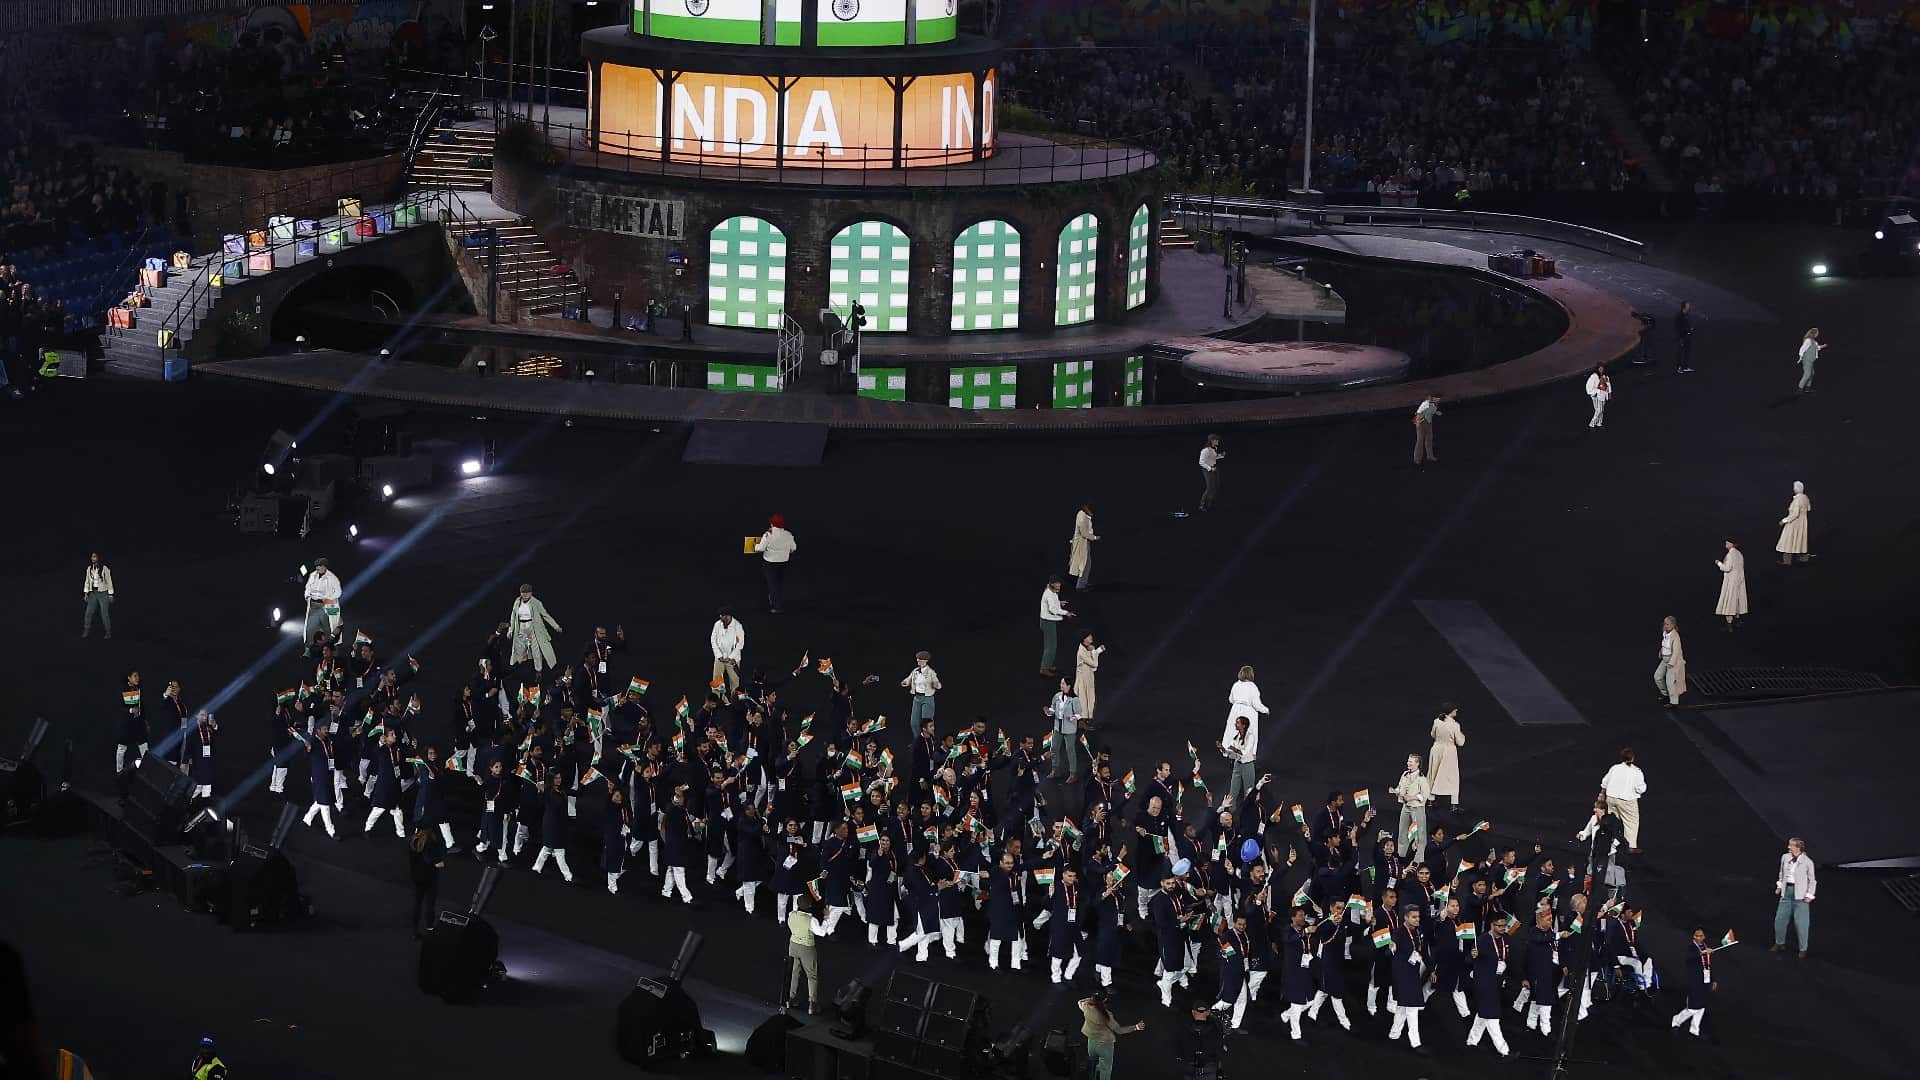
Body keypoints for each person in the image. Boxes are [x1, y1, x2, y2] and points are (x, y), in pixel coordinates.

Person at [1464, 912, 1513, 1056]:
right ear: (1492, 925)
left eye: (1504, 925)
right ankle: (1504, 1050)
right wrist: (1473, 956)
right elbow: (1468, 960)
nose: (1503, 928)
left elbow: (1505, 959)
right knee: (1492, 1016)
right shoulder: (1482, 940)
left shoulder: (1505, 940)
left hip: (1496, 983)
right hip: (1483, 984)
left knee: (1483, 1014)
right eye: (1499, 926)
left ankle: (1472, 1042)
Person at [1079, 990, 1144, 1080]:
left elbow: (1080, 1002)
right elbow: (1119, 1030)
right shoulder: (1106, 1015)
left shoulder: (1086, 1007)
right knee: (1106, 1068)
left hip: (1091, 1041)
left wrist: (1092, 999)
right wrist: (1136, 1027)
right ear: (1105, 1000)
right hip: (1105, 1045)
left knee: (1092, 1064)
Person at [1772, 836, 1815, 957]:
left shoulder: (1807, 862)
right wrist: (1780, 886)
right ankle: (1779, 943)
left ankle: (1803, 948)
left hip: (1800, 895)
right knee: (1779, 920)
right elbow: (1782, 873)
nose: (1788, 847)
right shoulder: (1785, 857)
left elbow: (1812, 881)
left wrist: (1809, 895)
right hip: (1787, 892)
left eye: (1791, 845)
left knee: (1801, 923)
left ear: (1798, 848)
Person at [1599, 747, 1647, 852]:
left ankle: (1609, 842)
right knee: (1631, 822)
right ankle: (1630, 846)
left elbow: (1605, 781)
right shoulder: (1636, 772)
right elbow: (1641, 788)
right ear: (1633, 758)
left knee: (1612, 820)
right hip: (1627, 800)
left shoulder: (1615, 768)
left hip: (1611, 798)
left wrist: (1602, 793)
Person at [1670, 927, 1715, 1036]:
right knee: (1692, 1008)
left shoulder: (1705, 947)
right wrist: (1703, 953)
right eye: (1696, 935)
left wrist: (1713, 980)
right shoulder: (1691, 948)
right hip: (1694, 981)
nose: (1699, 937)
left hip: (1705, 980)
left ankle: (1694, 1030)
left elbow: (1708, 966)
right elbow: (1689, 958)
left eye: (1701, 935)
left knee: (1702, 1006)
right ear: (1693, 937)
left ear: (1704, 937)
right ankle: (1676, 1020)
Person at [508, 584, 562, 673]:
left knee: (536, 651)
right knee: (518, 650)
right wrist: (510, 630)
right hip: (521, 627)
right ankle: (517, 670)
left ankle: (538, 671)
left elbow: (545, 615)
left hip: (533, 628)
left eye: (527, 593)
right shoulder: (517, 601)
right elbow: (513, 616)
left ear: (531, 593)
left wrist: (556, 627)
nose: (525, 595)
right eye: (523, 593)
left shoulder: (536, 602)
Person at [785, 895, 826, 1014]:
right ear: (809, 906)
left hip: (793, 944)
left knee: (793, 972)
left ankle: (790, 999)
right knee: (811, 975)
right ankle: (812, 1004)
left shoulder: (791, 914)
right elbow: (821, 933)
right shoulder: (811, 920)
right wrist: (826, 917)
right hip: (807, 947)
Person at [1426, 704, 1464, 815]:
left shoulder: (1437, 721)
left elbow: (1432, 734)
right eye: (1455, 709)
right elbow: (1460, 742)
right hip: (1449, 752)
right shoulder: (1455, 725)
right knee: (1452, 777)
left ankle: (1430, 800)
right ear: (1451, 711)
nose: (1456, 710)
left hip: (1436, 749)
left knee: (1433, 773)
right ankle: (1454, 804)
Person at [754, 513, 797, 613]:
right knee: (779, 584)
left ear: (772, 524)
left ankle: (776, 607)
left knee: (772, 584)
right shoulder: (788, 534)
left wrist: (755, 546)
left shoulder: (768, 535)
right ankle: (777, 601)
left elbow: (760, 548)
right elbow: (794, 548)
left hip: (770, 563)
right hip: (783, 563)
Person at [1173, 1000, 1225, 1080]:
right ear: (1208, 1012)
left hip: (1189, 1070)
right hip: (1209, 1069)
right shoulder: (1216, 1029)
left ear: (1193, 1012)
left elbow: (1178, 1051)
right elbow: (1221, 1051)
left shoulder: (1183, 1028)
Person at [408, 828, 445, 938]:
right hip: (430, 878)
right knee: (430, 903)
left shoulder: (413, 842)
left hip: (416, 877)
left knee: (417, 903)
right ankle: (429, 927)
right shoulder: (431, 844)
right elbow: (438, 863)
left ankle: (415, 928)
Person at [1394, 754, 1431, 862]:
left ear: (1417, 764)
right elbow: (1400, 786)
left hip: (1417, 808)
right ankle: (1401, 856)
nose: (1408, 763)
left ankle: (1418, 860)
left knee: (1419, 834)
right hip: (1406, 807)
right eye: (1408, 761)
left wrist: (1412, 797)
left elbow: (1425, 795)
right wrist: (1397, 791)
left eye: (1411, 762)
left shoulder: (1421, 778)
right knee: (1402, 832)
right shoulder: (1405, 774)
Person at [1045, 677, 1083, 783]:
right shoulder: (1057, 696)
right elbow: (1053, 708)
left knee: (1070, 750)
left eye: (1063, 684)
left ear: (1069, 686)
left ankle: (1073, 773)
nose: (1061, 685)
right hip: (1058, 726)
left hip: (1069, 728)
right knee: (1054, 748)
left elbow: (1079, 713)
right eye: (1061, 683)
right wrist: (1049, 712)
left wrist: (1074, 717)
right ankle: (1055, 769)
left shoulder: (1074, 699)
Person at [301, 559, 341, 658]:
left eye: (319, 566)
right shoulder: (313, 575)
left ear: (324, 566)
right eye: (316, 566)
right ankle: (308, 650)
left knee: (327, 628)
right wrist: (307, 596)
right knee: (310, 628)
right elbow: (308, 587)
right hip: (313, 605)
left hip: (325, 606)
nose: (317, 568)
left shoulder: (332, 578)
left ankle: (331, 650)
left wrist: (328, 599)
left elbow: (338, 592)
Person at [1217, 716, 1257, 808]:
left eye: (1237, 723)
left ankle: (1248, 813)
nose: (1235, 724)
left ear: (1244, 725)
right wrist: (1222, 749)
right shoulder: (1236, 737)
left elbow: (1245, 753)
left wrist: (1234, 749)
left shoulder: (1250, 737)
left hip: (1247, 765)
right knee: (1232, 791)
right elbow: (1231, 754)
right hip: (1237, 765)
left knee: (1249, 791)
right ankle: (1229, 814)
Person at [710, 607, 745, 701]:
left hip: (732, 660)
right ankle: (718, 700)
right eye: (721, 617)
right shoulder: (717, 624)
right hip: (719, 659)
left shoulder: (738, 626)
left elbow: (740, 644)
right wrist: (719, 656)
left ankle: (735, 701)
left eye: (724, 617)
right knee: (717, 680)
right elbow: (713, 641)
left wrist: (730, 657)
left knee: (734, 682)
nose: (722, 620)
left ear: (729, 616)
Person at [1039, 576, 1071, 676]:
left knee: (1051, 645)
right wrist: (1066, 613)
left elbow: (1053, 603)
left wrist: (1059, 603)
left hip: (1049, 621)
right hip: (1048, 622)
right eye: (1058, 584)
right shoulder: (1049, 593)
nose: (1059, 586)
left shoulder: (1052, 591)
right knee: (1050, 646)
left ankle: (1048, 665)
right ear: (1052, 584)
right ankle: (1044, 668)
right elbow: (1053, 609)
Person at [1714, 538, 1748, 630]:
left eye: (1727, 542)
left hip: (1731, 581)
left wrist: (1719, 563)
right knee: (1736, 600)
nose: (1726, 543)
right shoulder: (1739, 554)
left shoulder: (1731, 554)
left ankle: (1729, 624)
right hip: (1739, 580)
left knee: (1729, 600)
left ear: (1731, 544)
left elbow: (1727, 568)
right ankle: (1737, 620)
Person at [901, 650, 941, 726]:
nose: (918, 660)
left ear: (925, 660)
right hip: (917, 698)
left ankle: (928, 738)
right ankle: (918, 738)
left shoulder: (931, 672)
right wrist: (905, 682)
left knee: (927, 723)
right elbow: (909, 679)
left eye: (920, 659)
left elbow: (938, 685)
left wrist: (935, 684)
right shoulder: (915, 671)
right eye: (917, 658)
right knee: (914, 723)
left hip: (927, 698)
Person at [1775, 482, 1812, 565]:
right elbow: (1808, 508)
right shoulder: (1805, 498)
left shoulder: (1797, 500)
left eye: (1794, 487)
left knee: (1788, 541)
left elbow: (1795, 514)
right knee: (1799, 540)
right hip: (1802, 523)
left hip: (1794, 523)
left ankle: (1787, 561)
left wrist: (1784, 521)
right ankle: (1803, 558)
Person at [1654, 615, 1686, 707]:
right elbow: (1664, 644)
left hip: (1673, 661)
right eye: (1665, 624)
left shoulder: (1675, 636)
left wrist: (1671, 663)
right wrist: (1661, 651)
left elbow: (1676, 652)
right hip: (1665, 659)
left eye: (1668, 624)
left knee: (1670, 681)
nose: (1665, 626)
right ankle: (1665, 694)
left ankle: (1674, 702)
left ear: (1673, 625)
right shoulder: (1665, 633)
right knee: (1657, 676)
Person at [81, 551, 114, 639]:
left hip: (103, 593)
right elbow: (87, 581)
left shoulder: (104, 568)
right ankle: (86, 630)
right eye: (92, 556)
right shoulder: (89, 569)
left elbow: (109, 581)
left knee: (104, 613)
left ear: (98, 558)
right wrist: (86, 593)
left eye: (94, 556)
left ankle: (108, 631)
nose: (93, 558)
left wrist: (110, 594)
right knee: (88, 612)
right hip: (93, 593)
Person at [1069, 502, 1100, 589]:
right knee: (1084, 564)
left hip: (1085, 542)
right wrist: (1095, 537)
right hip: (1081, 543)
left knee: (1087, 563)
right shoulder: (1082, 517)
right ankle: (1080, 586)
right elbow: (1084, 533)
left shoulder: (1083, 515)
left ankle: (1083, 583)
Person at [1075, 632, 1104, 721]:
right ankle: (1083, 721)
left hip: (1088, 676)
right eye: (1088, 636)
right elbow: (1094, 664)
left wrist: (1096, 651)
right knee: (1084, 700)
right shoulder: (1082, 652)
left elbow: (1092, 661)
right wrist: (1096, 651)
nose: (1091, 637)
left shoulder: (1086, 648)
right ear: (1084, 639)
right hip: (1083, 678)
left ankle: (1088, 719)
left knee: (1091, 699)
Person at [1197, 434, 1225, 511]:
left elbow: (1213, 457)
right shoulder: (1206, 450)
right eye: (1216, 440)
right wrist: (1210, 468)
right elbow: (1201, 462)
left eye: (1218, 440)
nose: (1218, 441)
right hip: (1207, 469)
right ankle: (1201, 505)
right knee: (1209, 488)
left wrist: (1221, 455)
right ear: (1212, 441)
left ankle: (1209, 504)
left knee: (1215, 487)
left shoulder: (1214, 448)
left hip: (1214, 468)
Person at [1412, 393, 1441, 465]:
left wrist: (1437, 412)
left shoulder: (1434, 405)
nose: (1438, 400)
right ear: (1432, 398)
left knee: (1429, 439)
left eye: (1438, 399)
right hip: (1421, 422)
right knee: (1420, 440)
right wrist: (1418, 423)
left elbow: (1432, 411)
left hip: (1428, 422)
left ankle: (1430, 456)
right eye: (1436, 399)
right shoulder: (1425, 403)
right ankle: (1417, 458)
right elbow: (1418, 412)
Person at [1796, 327, 1825, 393]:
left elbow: (1816, 348)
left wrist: (1822, 346)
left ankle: (1807, 389)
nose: (1818, 334)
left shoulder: (1814, 341)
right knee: (1807, 374)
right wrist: (1800, 358)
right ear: (1814, 333)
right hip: (1807, 360)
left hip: (1811, 360)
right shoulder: (1808, 340)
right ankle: (1799, 389)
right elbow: (1802, 349)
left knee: (1812, 373)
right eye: (1817, 333)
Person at [1584, 362, 1612, 429]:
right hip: (1596, 396)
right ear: (1597, 369)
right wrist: (1595, 392)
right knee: (1598, 410)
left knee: (1601, 410)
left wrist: (1609, 393)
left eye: (1602, 368)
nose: (1601, 369)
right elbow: (1589, 386)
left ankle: (1599, 423)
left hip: (1603, 395)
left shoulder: (1605, 376)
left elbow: (1608, 385)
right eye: (1600, 368)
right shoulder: (1594, 376)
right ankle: (1592, 424)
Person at [1674, 300, 1695, 372]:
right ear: (1684, 306)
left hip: (1687, 336)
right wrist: (1682, 334)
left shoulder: (1687, 315)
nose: (1689, 306)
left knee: (1687, 351)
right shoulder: (1679, 315)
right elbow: (1677, 327)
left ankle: (1685, 367)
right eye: (1688, 305)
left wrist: (1690, 329)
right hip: (1682, 336)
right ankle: (1679, 367)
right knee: (1680, 352)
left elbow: (1687, 324)